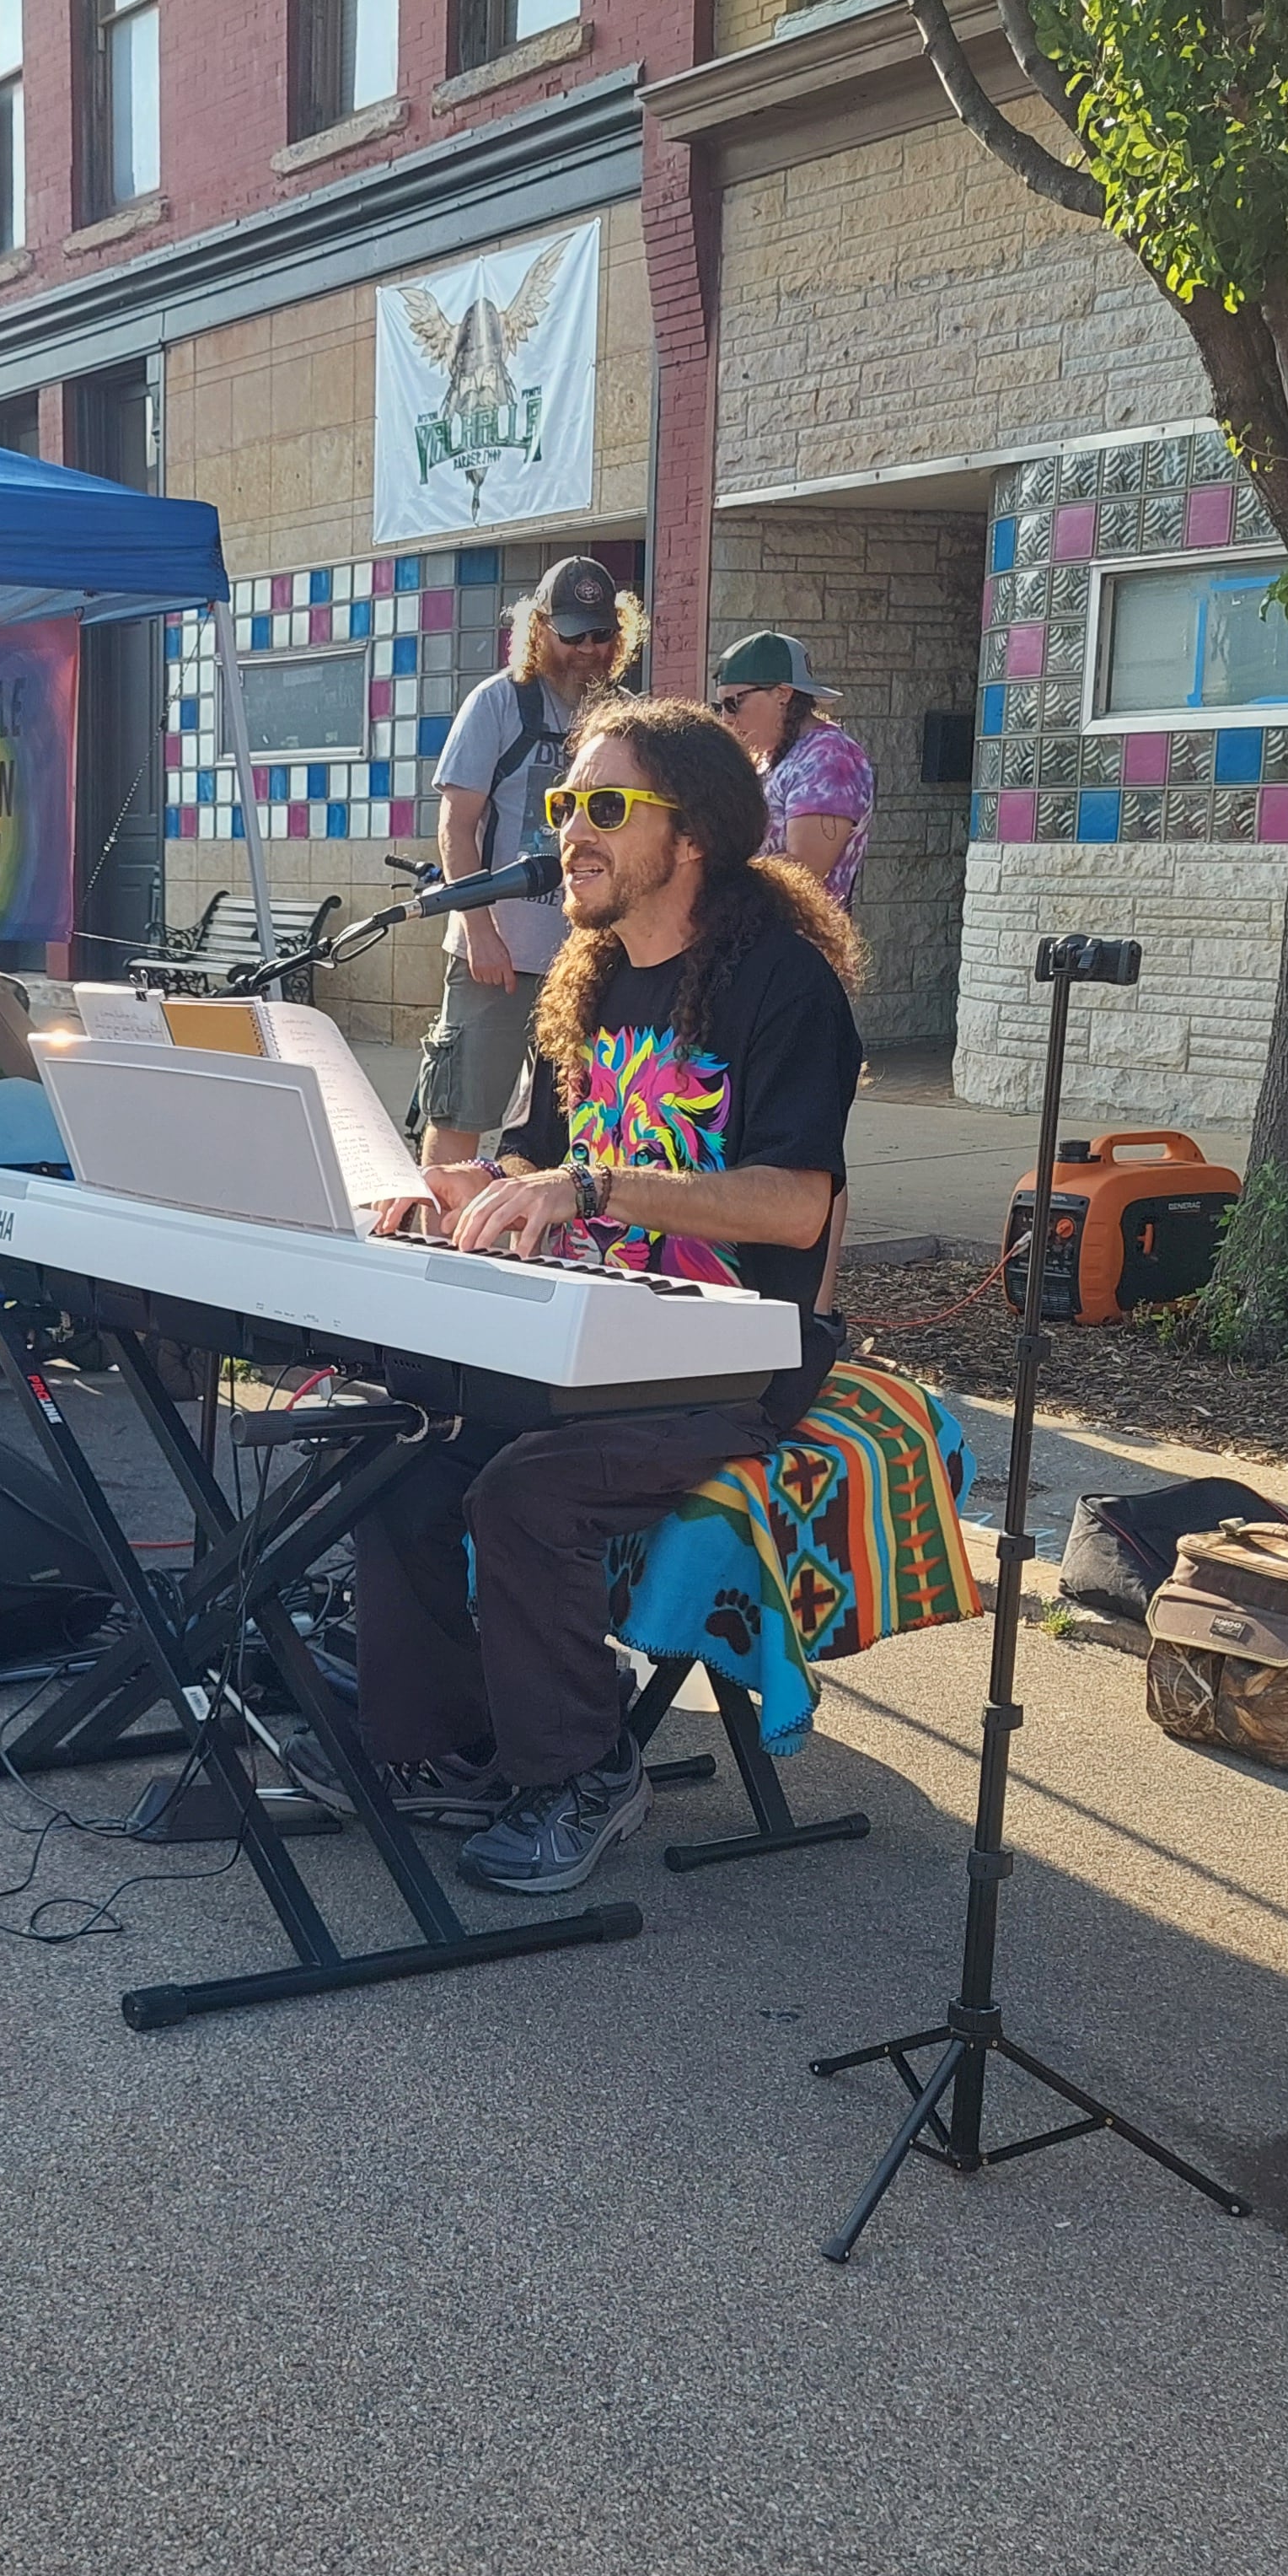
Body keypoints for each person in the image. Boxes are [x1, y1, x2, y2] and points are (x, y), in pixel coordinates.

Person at [350, 695, 865, 1897]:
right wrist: (472, 1184)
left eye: (605, 806)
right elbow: (544, 1161)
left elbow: (796, 1207)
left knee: (527, 1491)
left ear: (689, 836)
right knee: (393, 1453)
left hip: (733, 1362)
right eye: (565, 803)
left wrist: (596, 1187)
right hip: (581, 1333)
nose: (571, 828)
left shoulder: (782, 984)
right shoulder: (582, 983)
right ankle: (452, 1747)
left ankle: (586, 1771)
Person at [421, 555, 643, 1170]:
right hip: (498, 956)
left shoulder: (624, 716)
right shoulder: (498, 702)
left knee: (576, 1119)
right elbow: (456, 827)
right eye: (573, 634)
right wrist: (479, 931)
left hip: (589, 958)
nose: (589, 649)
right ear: (539, 630)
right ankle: (432, 1246)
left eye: (602, 634)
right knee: (462, 1108)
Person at [711, 630, 874, 906]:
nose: (725, 718)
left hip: (798, 939)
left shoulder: (830, 757)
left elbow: (806, 869)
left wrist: (711, 876)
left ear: (783, 694)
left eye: (733, 703)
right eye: (720, 706)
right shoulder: (770, 757)